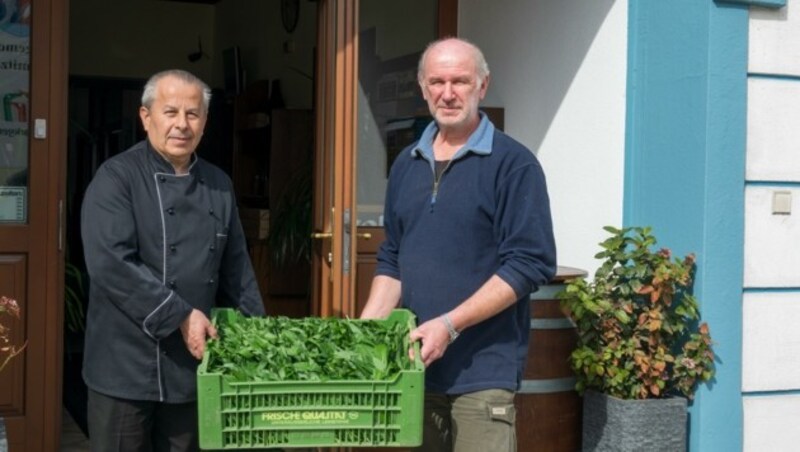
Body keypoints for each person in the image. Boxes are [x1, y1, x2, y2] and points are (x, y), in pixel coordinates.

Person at [360, 38, 557, 452]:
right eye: (437, 81)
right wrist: (366, 333)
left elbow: (528, 264)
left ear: (482, 87)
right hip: (414, 367)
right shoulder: (406, 164)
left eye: (460, 81)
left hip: (483, 373)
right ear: (423, 88)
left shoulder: (514, 164)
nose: (448, 93)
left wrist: (450, 325)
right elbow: (393, 256)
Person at [80, 69, 264, 450]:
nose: (182, 124)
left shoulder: (218, 184)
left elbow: (237, 271)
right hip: (123, 368)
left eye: (193, 114)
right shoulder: (117, 178)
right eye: (170, 112)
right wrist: (181, 314)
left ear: (205, 122)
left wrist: (258, 342)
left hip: (191, 368)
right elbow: (111, 263)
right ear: (146, 117)